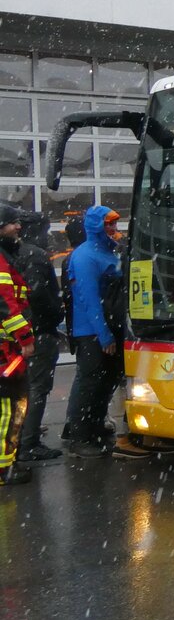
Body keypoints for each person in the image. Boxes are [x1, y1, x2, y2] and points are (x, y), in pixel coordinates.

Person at [61, 206, 149, 460]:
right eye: (108, 224)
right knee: (89, 382)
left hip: (112, 328)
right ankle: (79, 436)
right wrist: (103, 335)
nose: (114, 229)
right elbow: (88, 299)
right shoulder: (85, 256)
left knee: (107, 381)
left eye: (115, 224)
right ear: (97, 227)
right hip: (92, 332)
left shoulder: (111, 252)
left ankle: (95, 427)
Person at [13, 212, 64, 463]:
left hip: (19, 333)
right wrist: (57, 313)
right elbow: (39, 294)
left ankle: (21, 435)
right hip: (38, 332)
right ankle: (28, 442)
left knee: (23, 388)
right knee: (37, 388)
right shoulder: (34, 255)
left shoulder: (13, 254)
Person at [0, 205, 34, 486]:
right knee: (10, 409)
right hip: (6, 352)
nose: (18, 227)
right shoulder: (1, 261)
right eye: (12, 223)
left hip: (7, 350)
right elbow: (6, 306)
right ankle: (4, 468)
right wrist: (26, 338)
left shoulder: (7, 257)